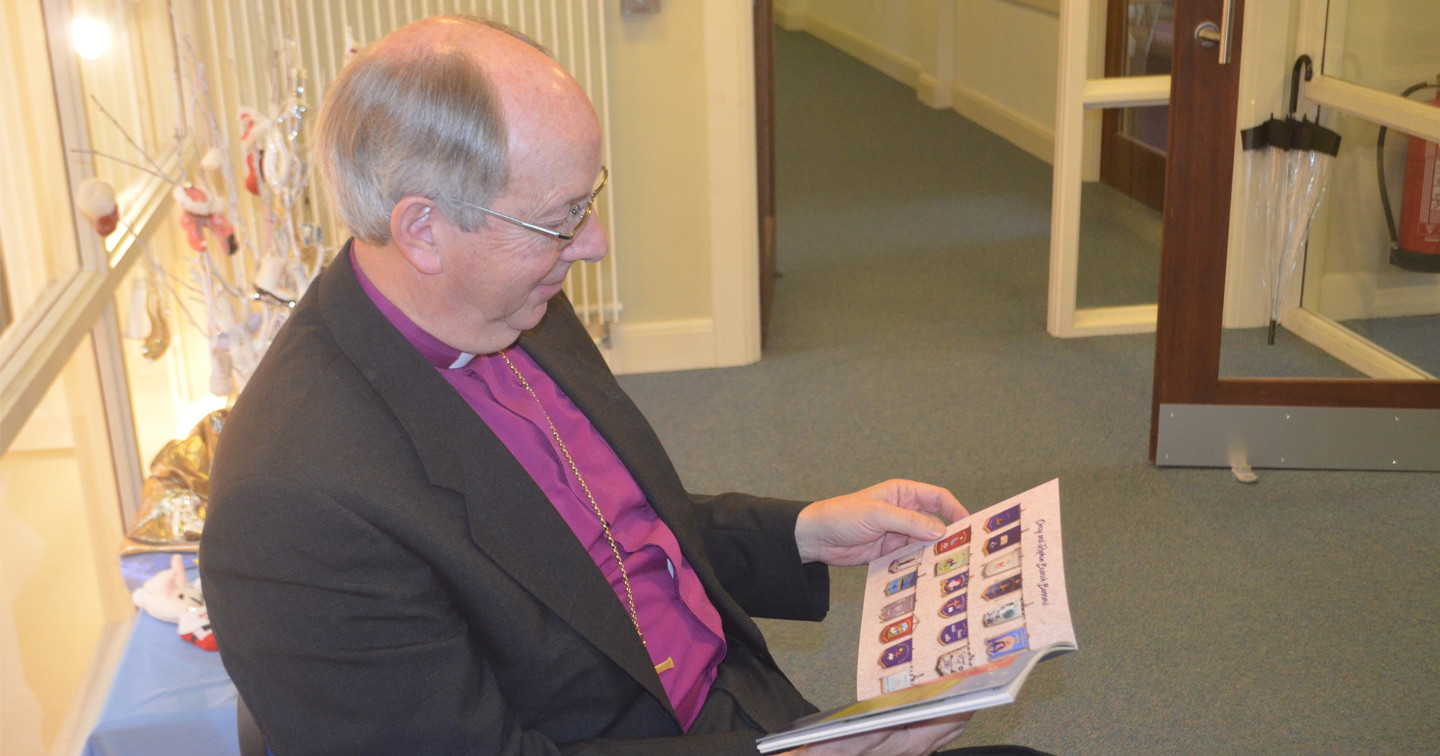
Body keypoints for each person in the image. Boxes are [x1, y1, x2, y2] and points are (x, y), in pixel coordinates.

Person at [201, 16, 1017, 755]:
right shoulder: (291, 503)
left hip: (739, 704)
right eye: (560, 218)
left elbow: (598, 533)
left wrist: (804, 532)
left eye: (586, 200)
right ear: (423, 230)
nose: (589, 243)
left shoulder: (513, 294)